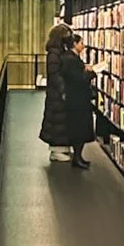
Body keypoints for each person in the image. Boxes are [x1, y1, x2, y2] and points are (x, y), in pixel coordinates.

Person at [37, 22, 75, 163]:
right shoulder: (54, 53)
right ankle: (56, 150)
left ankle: (62, 148)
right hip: (57, 94)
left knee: (61, 120)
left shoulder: (57, 52)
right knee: (57, 120)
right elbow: (54, 74)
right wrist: (63, 89)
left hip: (57, 92)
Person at [61, 35, 95, 170]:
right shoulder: (71, 60)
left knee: (78, 129)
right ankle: (77, 158)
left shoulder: (70, 58)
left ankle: (78, 157)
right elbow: (79, 80)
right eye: (81, 43)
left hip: (76, 98)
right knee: (79, 129)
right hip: (77, 99)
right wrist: (91, 72)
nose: (84, 45)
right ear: (74, 44)